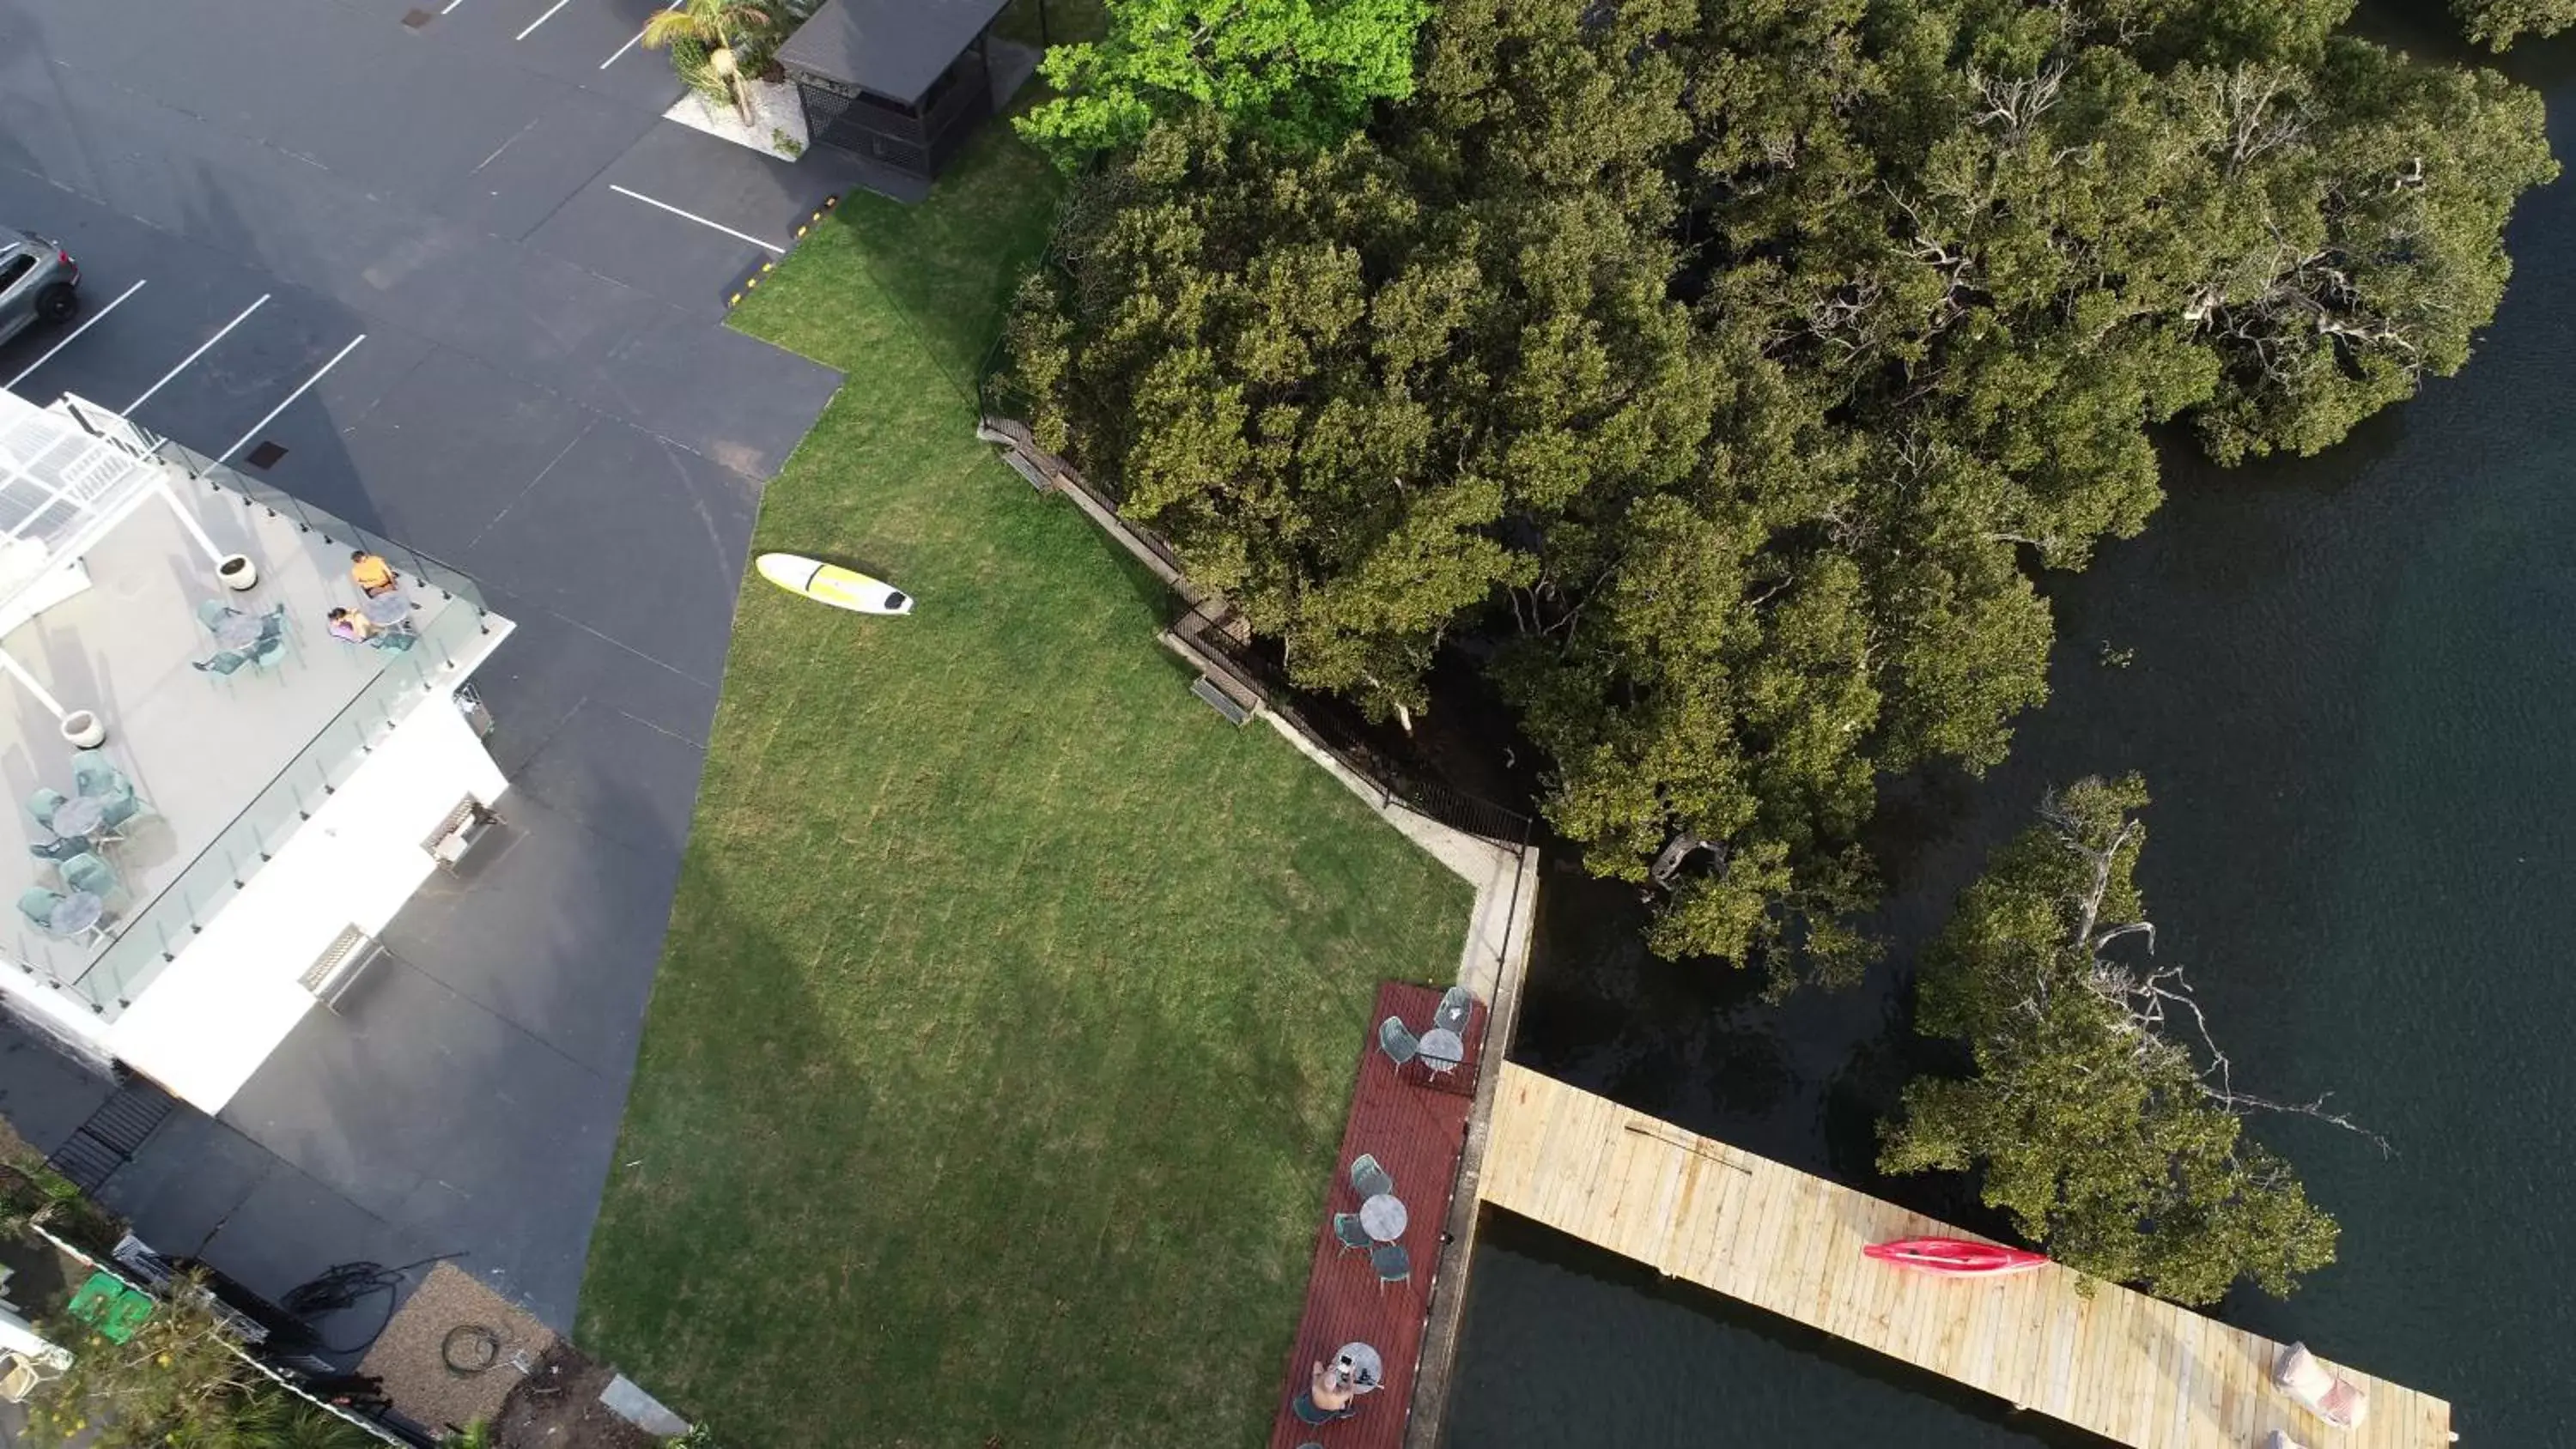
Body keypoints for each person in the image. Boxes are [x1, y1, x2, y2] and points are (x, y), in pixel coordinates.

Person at [1291, 1359, 1359, 1426]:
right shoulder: (1338, 1397)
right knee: (1342, 1406)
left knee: (1317, 1368)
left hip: (1304, 1403)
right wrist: (1351, 1374)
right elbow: (1350, 1390)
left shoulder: (1316, 1385)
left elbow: (1317, 1364)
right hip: (1320, 1416)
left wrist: (1332, 1369)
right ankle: (1342, 1414)